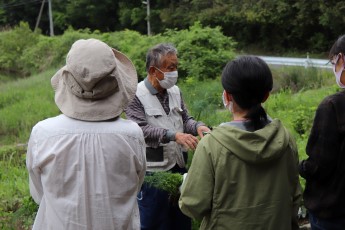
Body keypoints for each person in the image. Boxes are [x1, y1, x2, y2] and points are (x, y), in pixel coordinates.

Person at [26, 38, 146, 230]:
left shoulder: (43, 134)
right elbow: (135, 186)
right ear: (115, 82)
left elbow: (40, 194)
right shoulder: (132, 135)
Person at [179, 56, 302, 230]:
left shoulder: (211, 145)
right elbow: (295, 196)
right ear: (266, 95)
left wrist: (186, 183)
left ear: (227, 95)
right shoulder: (286, 138)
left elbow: (193, 205)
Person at [125, 43, 210, 230]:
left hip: (178, 168)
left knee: (180, 219)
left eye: (176, 67)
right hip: (153, 174)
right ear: (154, 71)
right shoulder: (135, 95)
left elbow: (185, 119)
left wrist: (198, 126)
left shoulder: (175, 91)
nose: (175, 72)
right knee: (154, 222)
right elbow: (140, 130)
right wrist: (173, 135)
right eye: (170, 68)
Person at [299, 35, 345, 229]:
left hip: (334, 212)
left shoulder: (333, 106)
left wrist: (298, 166)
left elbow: (319, 166)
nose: (334, 67)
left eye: (334, 62)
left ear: (342, 59)